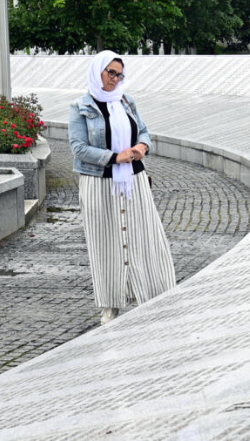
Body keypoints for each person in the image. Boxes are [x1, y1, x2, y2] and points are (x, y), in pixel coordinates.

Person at [68, 50, 176, 324]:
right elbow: (78, 148)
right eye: (110, 73)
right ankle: (110, 305)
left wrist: (142, 146)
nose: (115, 79)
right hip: (98, 183)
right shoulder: (81, 107)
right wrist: (114, 158)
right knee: (105, 243)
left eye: (119, 74)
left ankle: (153, 296)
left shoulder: (126, 101)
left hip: (134, 181)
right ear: (98, 72)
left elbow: (143, 131)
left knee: (145, 236)